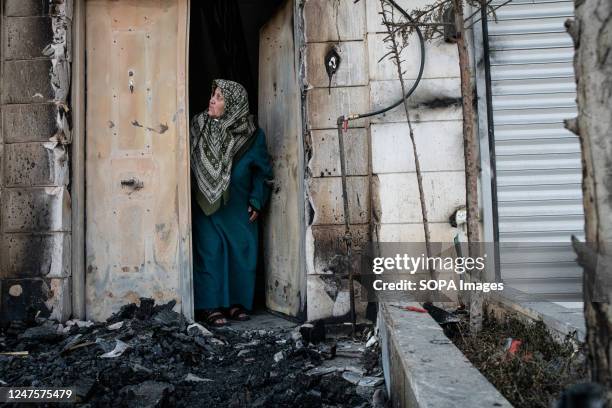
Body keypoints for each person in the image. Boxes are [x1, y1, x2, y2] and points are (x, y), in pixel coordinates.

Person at [190, 79, 273, 326]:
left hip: (239, 205)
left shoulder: (252, 135)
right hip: (207, 205)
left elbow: (263, 171)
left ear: (234, 104)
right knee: (211, 252)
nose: (212, 100)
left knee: (241, 252)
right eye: (212, 95)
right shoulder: (199, 126)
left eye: (219, 97)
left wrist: (257, 199)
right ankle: (210, 306)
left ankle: (236, 303)